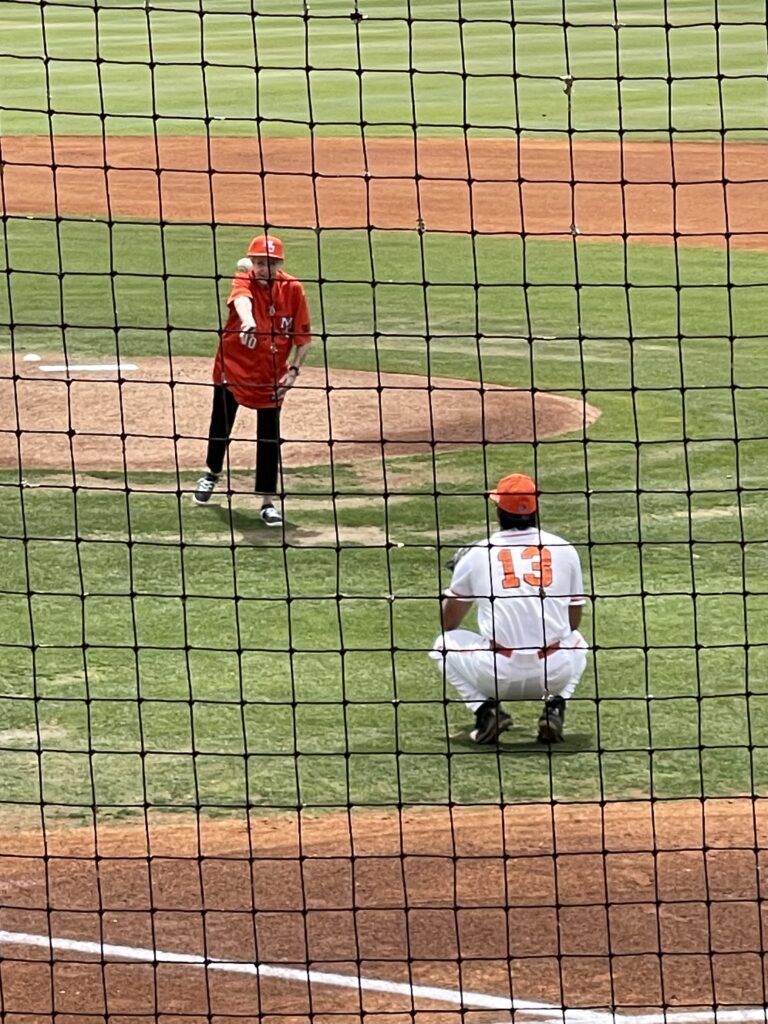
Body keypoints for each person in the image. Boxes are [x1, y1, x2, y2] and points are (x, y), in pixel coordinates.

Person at [429, 472, 588, 744]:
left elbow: (449, 622)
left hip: (496, 675)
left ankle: (485, 711)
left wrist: (459, 579)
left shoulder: (479, 553)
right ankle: (555, 707)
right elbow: (573, 622)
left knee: (442, 645)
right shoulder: (565, 549)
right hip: (553, 674)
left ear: (499, 511)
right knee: (579, 643)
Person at [192, 233, 312, 527]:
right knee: (220, 425)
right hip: (231, 369)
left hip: (270, 376)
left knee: (269, 437)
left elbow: (304, 340)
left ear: (279, 263)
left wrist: (294, 371)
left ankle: (267, 503)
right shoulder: (242, 281)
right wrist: (248, 321)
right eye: (259, 263)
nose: (264, 269)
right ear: (252, 263)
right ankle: (212, 474)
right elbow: (242, 303)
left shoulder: (293, 289)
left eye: (270, 264)